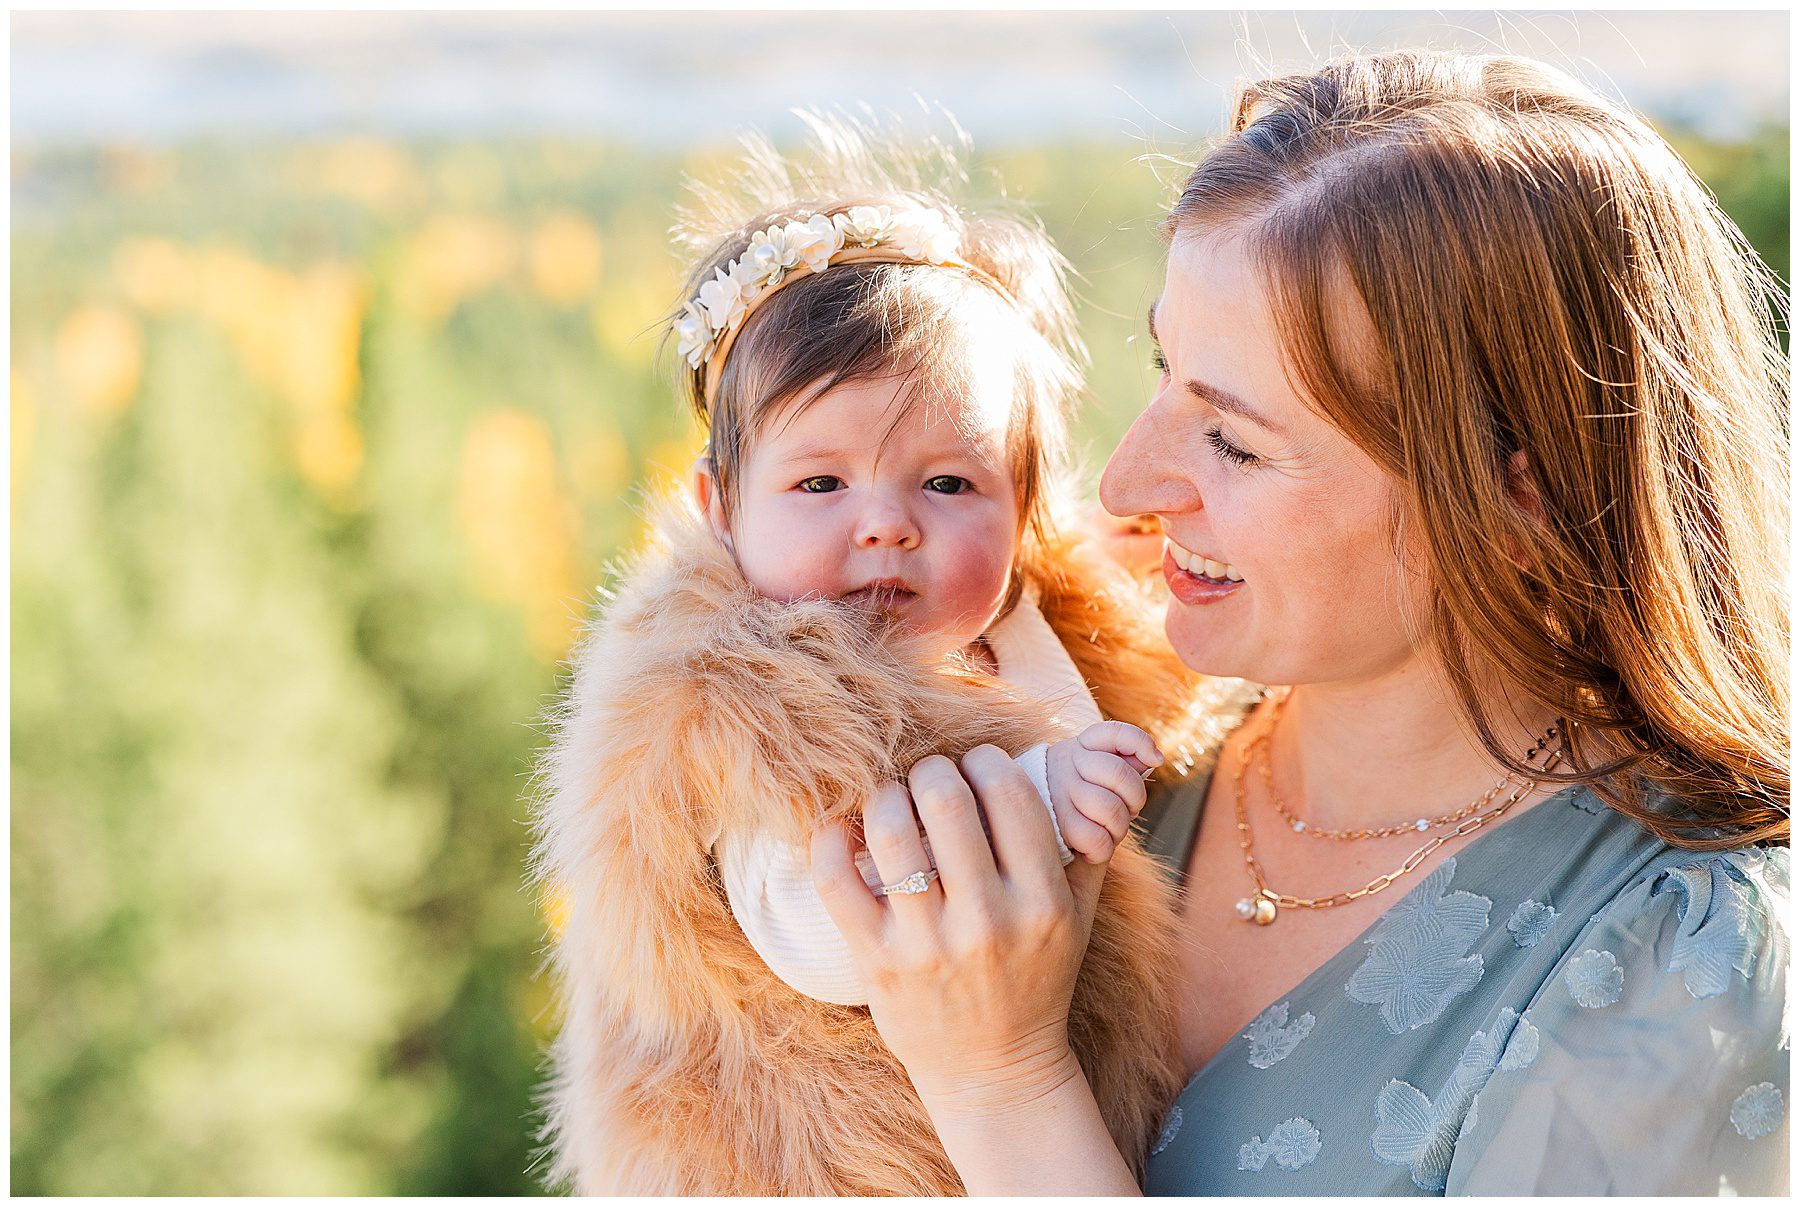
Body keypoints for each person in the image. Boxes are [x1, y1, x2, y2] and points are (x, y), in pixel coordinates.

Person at [811, 50, 1790, 1195]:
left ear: (1517, 497)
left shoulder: (1677, 965)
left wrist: (999, 1081)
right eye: (1165, 369)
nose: (1127, 482)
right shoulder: (1102, 760)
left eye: (1234, 441)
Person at [528, 120, 1248, 1194]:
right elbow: (816, 929)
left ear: (1024, 515)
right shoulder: (743, 700)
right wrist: (1041, 794)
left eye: (949, 484)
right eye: (821, 485)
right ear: (720, 511)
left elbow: (1097, 711)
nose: (887, 525)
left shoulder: (1000, 625)